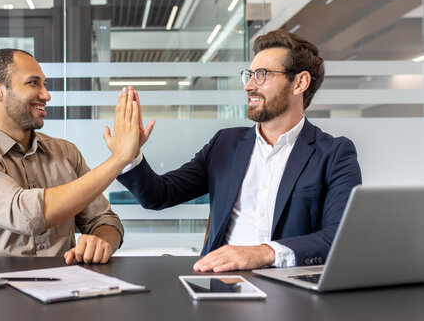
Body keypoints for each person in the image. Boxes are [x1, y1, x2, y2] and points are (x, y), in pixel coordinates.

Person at [117, 29, 362, 272]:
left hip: (291, 290)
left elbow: (338, 238)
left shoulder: (334, 153)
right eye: (250, 75)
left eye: (262, 75)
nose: (249, 86)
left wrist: (262, 253)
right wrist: (129, 156)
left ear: (300, 83)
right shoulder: (225, 144)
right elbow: (159, 195)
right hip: (221, 287)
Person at [0, 48, 139, 263]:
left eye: (44, 84)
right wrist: (119, 159)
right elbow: (24, 214)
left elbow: (105, 220)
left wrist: (102, 241)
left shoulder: (66, 152)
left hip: (67, 288)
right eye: (33, 83)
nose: (46, 95)